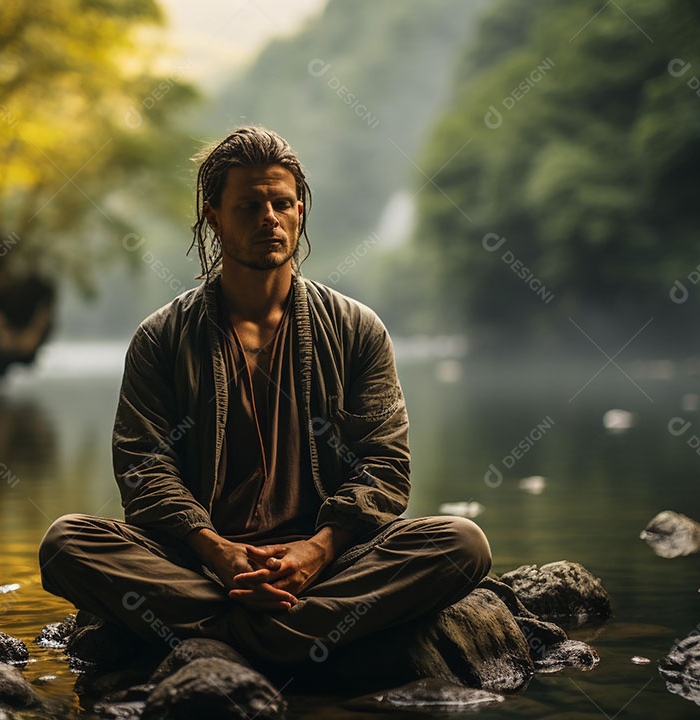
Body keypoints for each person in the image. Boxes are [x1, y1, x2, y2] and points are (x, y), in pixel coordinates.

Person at [39, 126, 491, 666]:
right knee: (65, 544)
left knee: (463, 544)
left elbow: (384, 467)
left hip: (328, 560)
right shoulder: (162, 337)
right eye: (249, 206)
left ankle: (232, 633)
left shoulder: (357, 330)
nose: (269, 220)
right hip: (200, 561)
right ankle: (297, 633)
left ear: (300, 209)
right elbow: (143, 471)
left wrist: (317, 550)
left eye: (281, 203)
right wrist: (219, 550)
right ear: (214, 216)